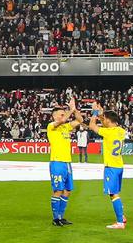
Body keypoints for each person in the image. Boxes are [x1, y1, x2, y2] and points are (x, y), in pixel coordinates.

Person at [46, 93, 83, 226]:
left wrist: (75, 109)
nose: (63, 116)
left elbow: (80, 120)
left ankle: (61, 216)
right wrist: (70, 110)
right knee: (58, 190)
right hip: (57, 162)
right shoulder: (51, 126)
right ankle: (55, 218)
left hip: (67, 163)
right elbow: (61, 121)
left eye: (64, 114)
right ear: (54, 116)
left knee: (67, 190)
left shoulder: (66, 127)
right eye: (61, 114)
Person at [88, 107, 127, 230]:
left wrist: (95, 113)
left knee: (113, 194)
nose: (102, 121)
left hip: (111, 166)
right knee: (115, 193)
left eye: (104, 119)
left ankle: (120, 222)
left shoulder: (108, 132)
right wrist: (101, 115)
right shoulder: (121, 131)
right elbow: (106, 123)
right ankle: (122, 216)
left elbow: (91, 126)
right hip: (119, 165)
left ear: (108, 121)